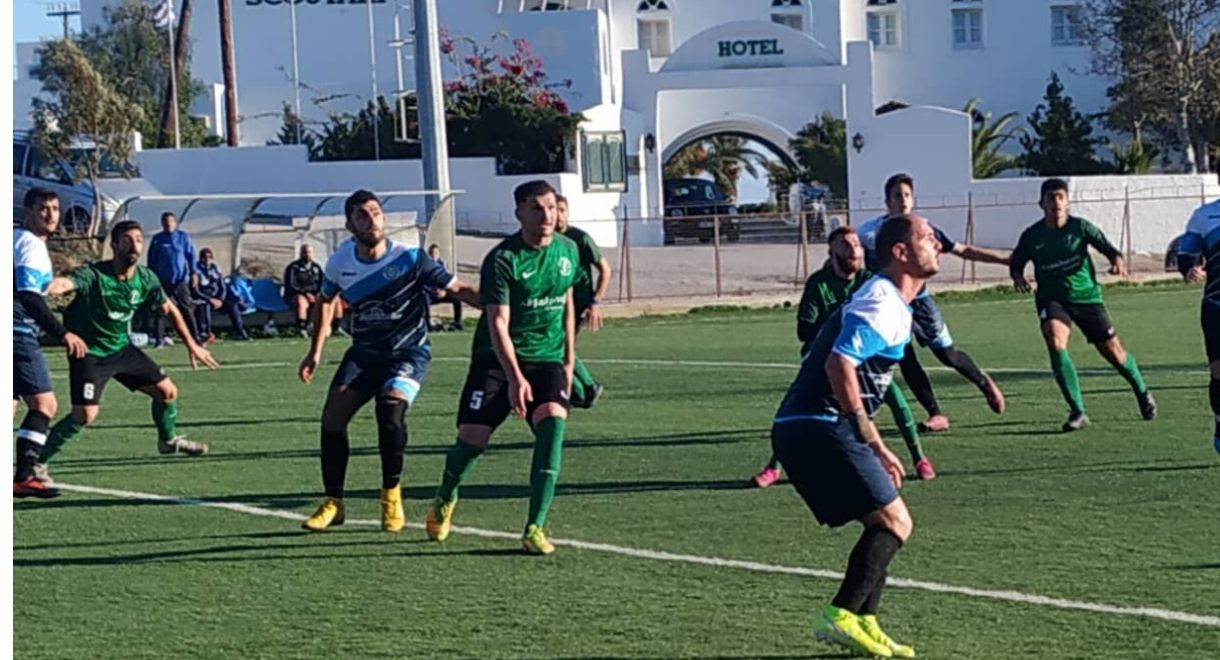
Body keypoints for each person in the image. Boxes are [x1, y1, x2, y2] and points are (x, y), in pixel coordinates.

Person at [772, 213, 940, 658]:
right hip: (818, 424)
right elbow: (838, 363)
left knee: (885, 522)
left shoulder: (894, 302)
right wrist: (873, 440)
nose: (937, 244)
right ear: (901, 252)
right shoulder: (881, 301)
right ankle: (841, 613)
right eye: (927, 238)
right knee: (896, 521)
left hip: (809, 425)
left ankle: (864, 621)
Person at [297, 191, 479, 533]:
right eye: (362, 215)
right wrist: (315, 351)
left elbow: (459, 288)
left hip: (408, 353)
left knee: (390, 412)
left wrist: (501, 307)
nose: (371, 220)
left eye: (376, 212)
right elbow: (325, 301)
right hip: (365, 355)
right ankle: (334, 502)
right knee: (332, 418)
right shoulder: (339, 263)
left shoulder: (410, 258)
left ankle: (391, 495)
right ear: (350, 224)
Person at [423, 180, 580, 555]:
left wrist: (569, 360)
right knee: (472, 440)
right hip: (496, 359)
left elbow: (568, 303)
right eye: (536, 208)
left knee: (553, 426)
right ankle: (446, 495)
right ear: (519, 213)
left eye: (551, 207)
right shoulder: (503, 259)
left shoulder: (569, 250)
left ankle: (534, 527)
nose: (546, 215)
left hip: (546, 358)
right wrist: (514, 378)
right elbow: (497, 322)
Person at [34, 220, 219, 483]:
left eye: (139, 240)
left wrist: (192, 344)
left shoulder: (145, 278)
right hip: (90, 353)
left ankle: (167, 441)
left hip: (121, 349)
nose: (134, 245)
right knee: (84, 415)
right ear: (114, 245)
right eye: (127, 240)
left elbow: (170, 309)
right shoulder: (96, 275)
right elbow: (65, 284)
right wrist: (44, 285)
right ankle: (37, 464)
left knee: (167, 392)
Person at [753, 226, 934, 489]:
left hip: (865, 362)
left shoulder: (871, 282)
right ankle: (774, 467)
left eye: (856, 244)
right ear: (832, 250)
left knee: (897, 400)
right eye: (845, 245)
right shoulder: (820, 283)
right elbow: (805, 330)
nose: (853, 250)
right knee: (803, 408)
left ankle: (920, 459)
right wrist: (840, 325)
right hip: (827, 361)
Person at [857, 174, 1007, 432]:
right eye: (897, 195)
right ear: (887, 201)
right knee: (905, 358)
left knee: (947, 355)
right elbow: (849, 251)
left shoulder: (924, 230)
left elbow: (963, 250)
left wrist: (1005, 259)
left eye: (907, 195)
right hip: (891, 307)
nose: (903, 200)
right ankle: (935, 413)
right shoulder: (870, 232)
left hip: (920, 303)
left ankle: (983, 382)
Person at [1010, 178, 1156, 432]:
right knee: (1055, 341)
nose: (1056, 202)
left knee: (1114, 353)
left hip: (1087, 298)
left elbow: (1110, 249)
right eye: (1050, 197)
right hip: (1053, 299)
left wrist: (1117, 262)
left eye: (1060, 196)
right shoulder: (1032, 236)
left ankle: (1142, 391)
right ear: (1041, 204)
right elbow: (1017, 263)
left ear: (1067, 201)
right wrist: (1018, 276)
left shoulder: (1080, 228)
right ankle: (1078, 411)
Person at [13, 188, 89, 498]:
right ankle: (24, 475)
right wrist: (62, 333)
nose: (51, 214)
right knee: (45, 405)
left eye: (55, 208)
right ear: (28, 211)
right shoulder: (29, 244)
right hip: (17, 332)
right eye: (43, 208)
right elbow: (29, 297)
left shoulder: (16, 239)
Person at [1177, 176, 1220, 455]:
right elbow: (1186, 254)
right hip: (1217, 304)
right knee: (1219, 372)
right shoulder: (1204, 216)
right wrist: (1189, 269)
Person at [556, 194, 612, 408]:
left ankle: (585, 388)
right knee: (557, 346)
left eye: (562, 210)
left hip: (578, 303)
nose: (558, 215)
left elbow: (605, 270)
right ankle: (582, 391)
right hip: (555, 303)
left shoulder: (580, 238)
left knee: (559, 346)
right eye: (554, 210)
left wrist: (595, 303)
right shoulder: (545, 238)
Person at [147, 211, 199, 347]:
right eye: (165, 222)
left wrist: (194, 273)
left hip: (180, 280)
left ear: (175, 223)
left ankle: (195, 337)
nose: (168, 224)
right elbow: (151, 260)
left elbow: (191, 256)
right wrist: (152, 278)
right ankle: (159, 339)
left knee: (186, 308)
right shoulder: (157, 239)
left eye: (170, 221)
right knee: (160, 308)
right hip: (162, 280)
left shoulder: (183, 237)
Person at [193, 247, 249, 342]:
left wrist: (220, 300)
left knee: (232, 305)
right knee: (204, 306)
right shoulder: (196, 271)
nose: (207, 260)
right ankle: (205, 333)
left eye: (209, 257)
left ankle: (240, 332)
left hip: (217, 300)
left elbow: (222, 287)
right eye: (205, 257)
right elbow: (195, 291)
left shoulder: (215, 269)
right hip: (203, 299)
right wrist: (209, 299)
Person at [284, 244, 324, 334]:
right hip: (296, 294)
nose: (307, 254)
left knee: (326, 300)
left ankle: (326, 326)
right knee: (301, 301)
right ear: (301, 253)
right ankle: (301, 328)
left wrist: (317, 294)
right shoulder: (293, 267)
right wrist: (306, 293)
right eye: (305, 252)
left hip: (313, 295)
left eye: (309, 252)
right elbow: (291, 285)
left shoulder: (316, 267)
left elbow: (322, 283)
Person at [427, 243, 464, 331]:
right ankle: (427, 324)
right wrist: (433, 291)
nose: (434, 255)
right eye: (432, 253)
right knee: (424, 299)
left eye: (436, 253)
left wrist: (444, 291)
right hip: (431, 294)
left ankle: (457, 322)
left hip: (442, 293)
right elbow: (425, 284)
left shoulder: (442, 265)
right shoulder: (426, 266)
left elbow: (446, 280)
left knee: (457, 297)